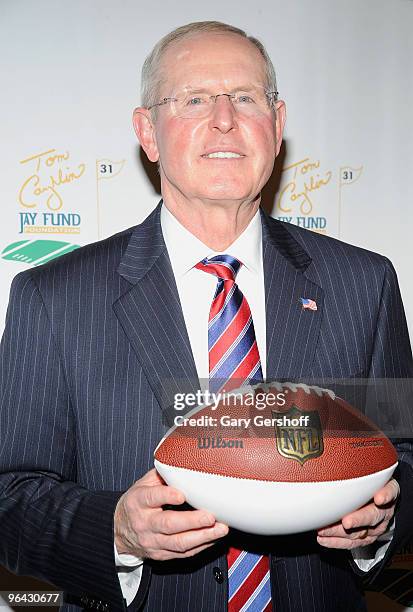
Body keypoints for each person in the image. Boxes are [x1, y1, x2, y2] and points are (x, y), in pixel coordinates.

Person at [0, 20, 412, 612]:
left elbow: (404, 454)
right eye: (193, 99)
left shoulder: (363, 284)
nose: (224, 118)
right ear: (148, 132)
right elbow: (11, 498)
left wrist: (382, 518)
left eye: (246, 98)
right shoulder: (54, 298)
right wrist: (116, 529)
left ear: (278, 125)